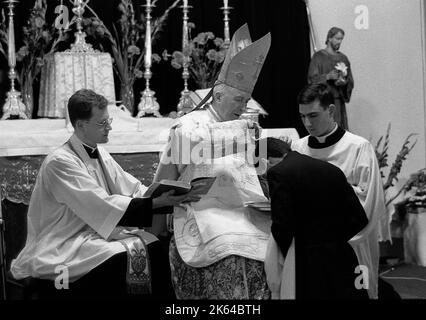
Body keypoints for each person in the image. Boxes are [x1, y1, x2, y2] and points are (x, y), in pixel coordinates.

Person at [10, 89, 200, 299]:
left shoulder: (99, 152)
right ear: (81, 125)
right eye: (102, 123)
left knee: (153, 246)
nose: (109, 126)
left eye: (108, 120)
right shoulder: (60, 162)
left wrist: (168, 195)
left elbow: (131, 186)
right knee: (119, 258)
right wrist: (154, 204)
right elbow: (98, 204)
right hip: (63, 242)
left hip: (95, 233)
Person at [153, 24, 272, 299]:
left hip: (243, 208)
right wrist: (238, 137)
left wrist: (257, 148)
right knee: (230, 252)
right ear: (218, 95)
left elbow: (258, 169)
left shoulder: (245, 126)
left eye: (246, 100)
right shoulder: (188, 125)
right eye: (239, 99)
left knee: (268, 248)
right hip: (203, 209)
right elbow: (180, 159)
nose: (244, 107)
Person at [291, 82, 390, 299]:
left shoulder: (358, 147)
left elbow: (369, 201)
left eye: (314, 115)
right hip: (312, 247)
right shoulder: (298, 148)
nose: (307, 123)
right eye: (302, 116)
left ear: (331, 110)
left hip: (350, 244)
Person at [267, 144, 369, 299]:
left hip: (307, 259)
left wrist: (296, 250)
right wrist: (335, 240)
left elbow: (282, 225)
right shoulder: (332, 169)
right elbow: (359, 218)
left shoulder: (278, 172)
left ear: (267, 160)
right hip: (342, 254)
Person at [307, 27, 354, 129]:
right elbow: (311, 80)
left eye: (341, 39)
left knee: (340, 132)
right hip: (324, 102)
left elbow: (350, 81)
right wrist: (327, 76)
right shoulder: (318, 57)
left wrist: (343, 82)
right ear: (329, 38)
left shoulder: (343, 58)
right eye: (337, 38)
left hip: (338, 103)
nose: (340, 42)